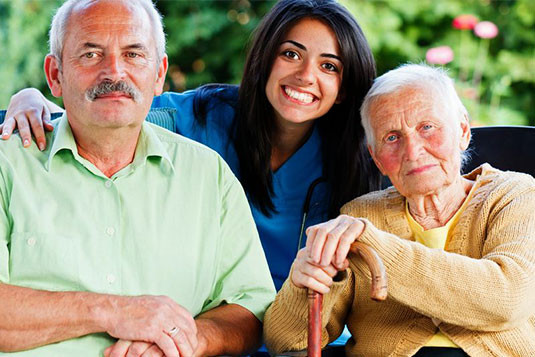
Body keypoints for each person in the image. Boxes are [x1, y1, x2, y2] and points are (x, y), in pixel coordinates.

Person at [2, 0, 381, 291]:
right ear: (265, 59)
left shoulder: (363, 157)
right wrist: (35, 101)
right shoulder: (204, 116)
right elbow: (114, 107)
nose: (305, 76)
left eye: (329, 66)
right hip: (221, 323)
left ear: (345, 87)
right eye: (291, 54)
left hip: (309, 330)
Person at [0, 0, 276, 356]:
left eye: (133, 54)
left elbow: (251, 308)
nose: (113, 72)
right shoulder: (8, 165)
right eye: (90, 54)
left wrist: (184, 340)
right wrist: (113, 311)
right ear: (55, 75)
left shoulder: (210, 176)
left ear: (159, 73)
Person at [263, 64, 535, 357]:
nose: (412, 151)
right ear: (376, 158)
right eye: (392, 137)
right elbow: (286, 342)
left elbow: (507, 300)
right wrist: (303, 286)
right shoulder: (360, 215)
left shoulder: (514, 194)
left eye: (427, 127)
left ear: (463, 131)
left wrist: (374, 245)